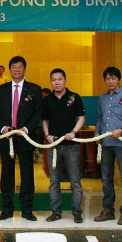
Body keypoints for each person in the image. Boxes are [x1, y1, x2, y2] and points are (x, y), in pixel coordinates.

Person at [0, 56, 42, 221]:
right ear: (9, 69)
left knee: (27, 174)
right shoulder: (1, 89)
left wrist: (26, 129)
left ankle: (27, 210)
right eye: (14, 67)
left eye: (20, 67)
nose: (17, 70)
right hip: (7, 137)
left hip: (26, 137)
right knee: (6, 175)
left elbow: (37, 114)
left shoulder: (34, 89)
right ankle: (6, 209)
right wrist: (3, 128)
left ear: (24, 69)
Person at [94, 66, 122, 225]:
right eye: (107, 78)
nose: (110, 81)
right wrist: (97, 134)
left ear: (119, 80)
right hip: (105, 144)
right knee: (106, 179)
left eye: (113, 78)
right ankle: (108, 210)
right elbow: (99, 118)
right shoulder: (103, 98)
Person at [42, 68, 85, 224]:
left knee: (75, 180)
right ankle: (56, 211)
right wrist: (47, 136)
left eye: (60, 79)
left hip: (71, 145)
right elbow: (45, 121)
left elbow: (81, 117)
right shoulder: (47, 100)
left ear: (65, 80)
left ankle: (77, 211)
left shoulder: (74, 97)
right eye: (54, 80)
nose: (57, 82)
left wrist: (74, 131)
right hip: (54, 145)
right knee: (54, 181)